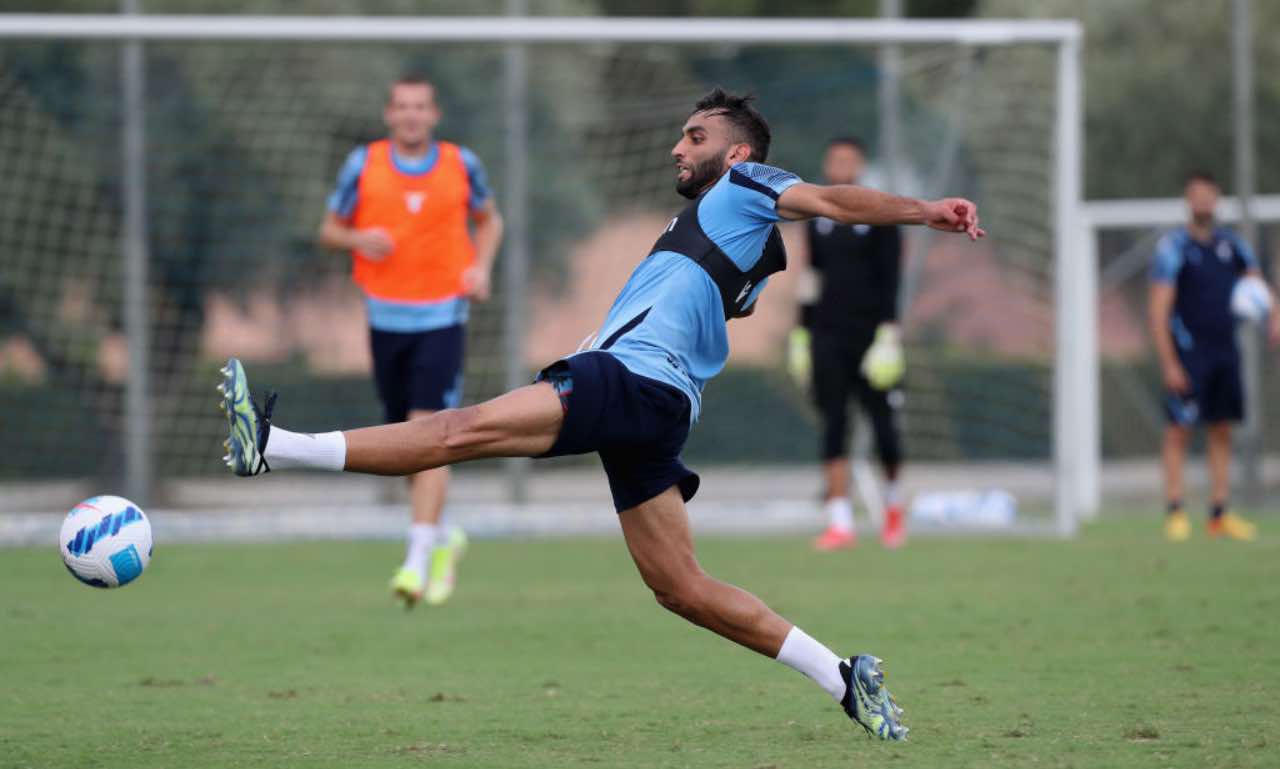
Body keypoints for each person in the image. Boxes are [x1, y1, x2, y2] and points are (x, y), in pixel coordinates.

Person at [221, 88, 983, 740]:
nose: (676, 147)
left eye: (695, 137)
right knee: (680, 587)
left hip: (626, 380)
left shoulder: (747, 191)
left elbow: (832, 200)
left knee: (458, 429)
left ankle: (273, 445)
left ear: (739, 155)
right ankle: (845, 677)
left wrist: (924, 211)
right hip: (663, 406)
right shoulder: (727, 223)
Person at [317, 74, 504, 607]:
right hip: (384, 321)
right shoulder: (363, 164)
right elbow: (328, 229)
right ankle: (443, 539)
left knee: (430, 429)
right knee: (406, 445)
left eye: (421, 106)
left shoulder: (461, 164)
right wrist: (357, 237)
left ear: (435, 114)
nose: (411, 115)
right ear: (388, 114)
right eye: (402, 107)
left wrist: (481, 268)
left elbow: (491, 221)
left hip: (443, 316)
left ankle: (415, 559)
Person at [790, 137, 907, 551]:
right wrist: (801, 333)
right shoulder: (816, 217)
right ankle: (840, 521)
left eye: (849, 159)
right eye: (834, 157)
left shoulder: (880, 215)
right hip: (827, 334)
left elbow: (892, 278)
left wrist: (890, 333)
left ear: (860, 165)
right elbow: (812, 276)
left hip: (872, 336)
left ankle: (894, 507)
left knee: (884, 428)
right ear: (827, 163)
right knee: (834, 423)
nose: (841, 164)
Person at [1149, 171, 1275, 542]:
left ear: (1217, 198)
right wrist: (1170, 362)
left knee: (1221, 428)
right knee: (1179, 431)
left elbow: (1256, 283)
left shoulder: (1232, 244)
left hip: (1225, 350)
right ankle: (1175, 511)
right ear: (1188, 201)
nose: (1203, 202)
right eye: (1196, 195)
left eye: (1209, 195)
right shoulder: (1173, 248)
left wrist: (1274, 315)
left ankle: (1219, 513)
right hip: (1188, 352)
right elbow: (1158, 310)